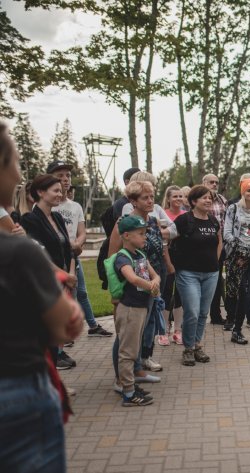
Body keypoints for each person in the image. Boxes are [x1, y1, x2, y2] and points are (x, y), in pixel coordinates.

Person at [0, 121, 84, 472]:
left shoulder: (55, 222)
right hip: (17, 391)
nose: (18, 174)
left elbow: (68, 248)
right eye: (16, 163)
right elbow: (66, 325)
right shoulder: (19, 249)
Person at [109, 181, 166, 381]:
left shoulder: (153, 221)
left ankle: (138, 368)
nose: (150, 201)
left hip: (152, 282)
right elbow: (112, 257)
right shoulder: (124, 223)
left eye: (152, 197)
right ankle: (121, 377)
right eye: (145, 198)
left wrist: (158, 277)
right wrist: (115, 293)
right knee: (126, 333)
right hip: (130, 288)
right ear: (133, 201)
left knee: (144, 326)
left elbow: (160, 249)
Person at [48, 160, 112, 338]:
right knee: (64, 295)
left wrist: (78, 244)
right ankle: (63, 334)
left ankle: (92, 326)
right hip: (55, 259)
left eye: (68, 175)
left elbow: (82, 232)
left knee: (81, 292)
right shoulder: (48, 205)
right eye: (60, 176)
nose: (65, 179)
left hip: (72, 256)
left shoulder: (75, 206)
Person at [21, 174, 78, 371]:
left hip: (63, 284)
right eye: (55, 191)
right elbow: (38, 255)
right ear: (40, 192)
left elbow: (68, 250)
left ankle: (54, 380)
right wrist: (65, 276)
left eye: (61, 191)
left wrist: (70, 275)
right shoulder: (30, 220)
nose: (60, 194)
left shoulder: (58, 217)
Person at [113, 215, 160, 407]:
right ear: (126, 235)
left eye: (145, 233)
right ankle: (128, 393)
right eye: (140, 233)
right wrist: (151, 286)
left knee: (134, 350)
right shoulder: (122, 257)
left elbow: (155, 274)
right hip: (129, 309)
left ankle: (131, 385)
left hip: (140, 308)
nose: (144, 237)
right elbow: (132, 278)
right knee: (127, 352)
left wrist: (155, 282)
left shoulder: (140, 254)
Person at [172, 185, 222, 365]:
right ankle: (188, 348)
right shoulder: (184, 220)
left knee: (202, 312)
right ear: (194, 201)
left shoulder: (214, 221)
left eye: (210, 198)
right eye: (204, 197)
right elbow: (168, 237)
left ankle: (197, 346)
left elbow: (219, 242)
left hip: (211, 274)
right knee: (192, 311)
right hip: (188, 273)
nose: (208, 200)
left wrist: (215, 261)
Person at [223, 179, 250, 347]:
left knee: (246, 289)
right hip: (236, 256)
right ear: (243, 192)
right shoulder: (233, 209)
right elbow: (227, 233)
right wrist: (240, 249)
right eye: (249, 190)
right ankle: (239, 331)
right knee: (243, 291)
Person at [161, 186, 185, 345]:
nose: (178, 199)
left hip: (183, 258)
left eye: (180, 196)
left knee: (180, 294)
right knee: (166, 292)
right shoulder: (163, 215)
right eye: (175, 196)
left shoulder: (186, 215)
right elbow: (163, 239)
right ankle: (163, 330)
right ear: (168, 199)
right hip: (166, 257)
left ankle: (178, 330)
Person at [203, 173, 228, 325]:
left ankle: (216, 315)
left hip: (220, 245)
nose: (214, 184)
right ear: (204, 183)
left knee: (217, 280)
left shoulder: (222, 200)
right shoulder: (199, 199)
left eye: (216, 182)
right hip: (202, 245)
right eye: (211, 182)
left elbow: (227, 221)